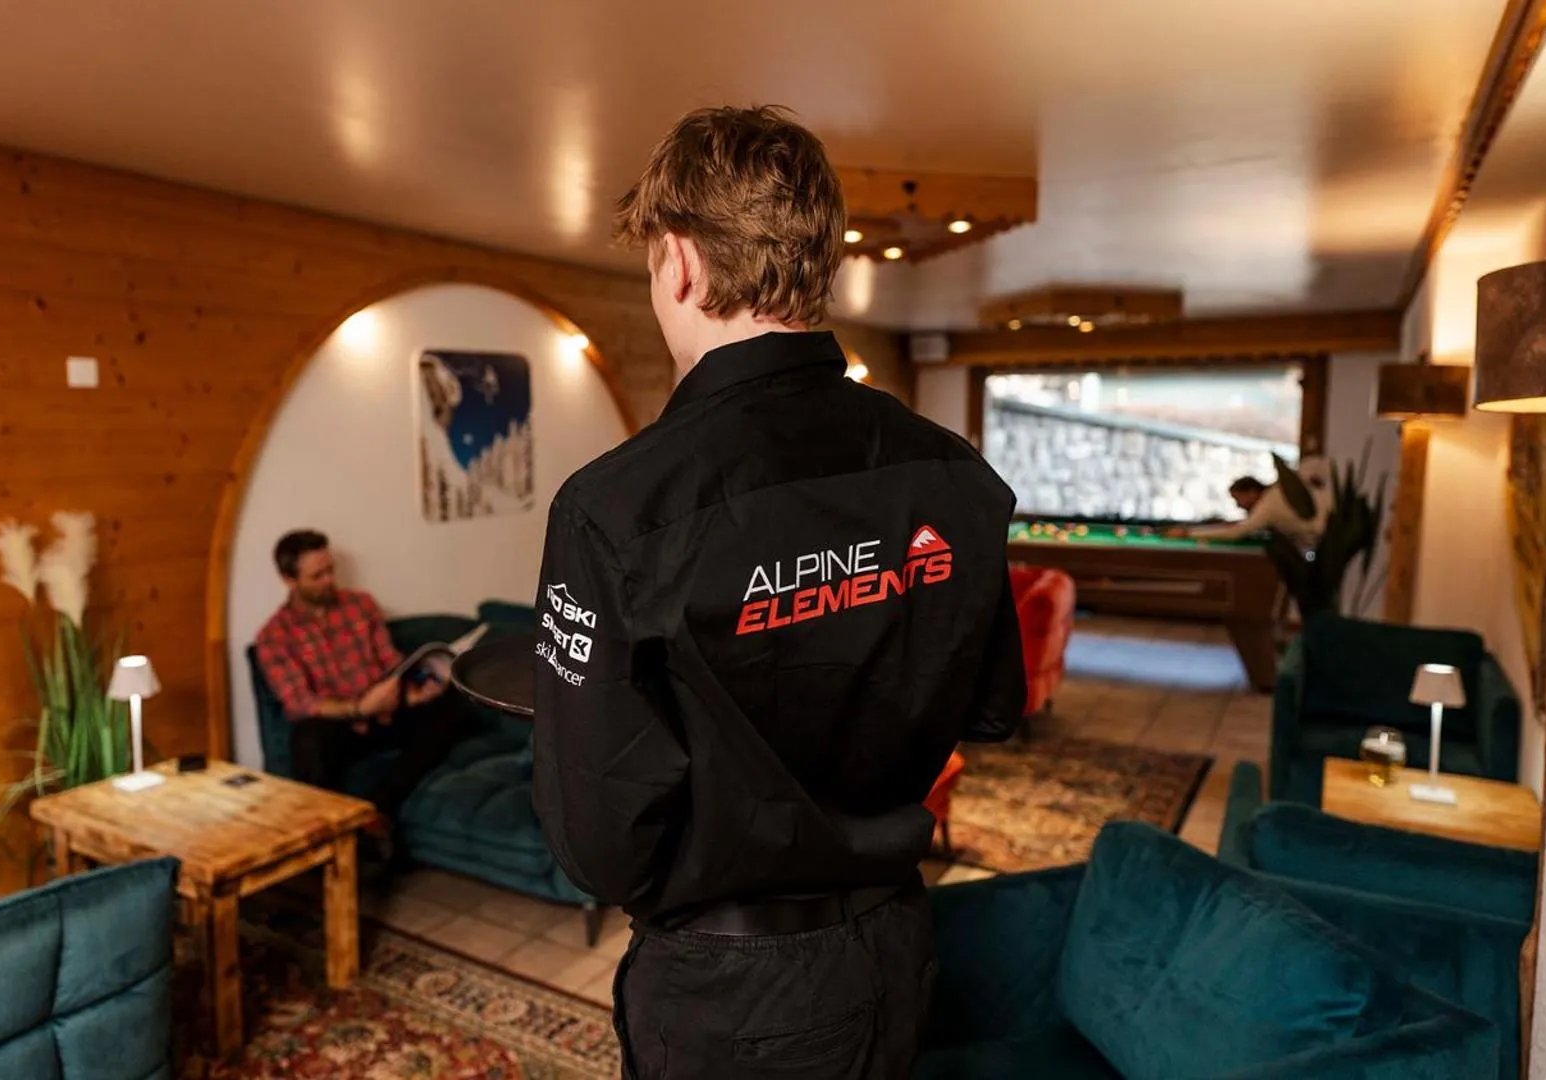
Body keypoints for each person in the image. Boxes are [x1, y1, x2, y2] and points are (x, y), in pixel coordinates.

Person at [531, 106, 1027, 1080]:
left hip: (728, 992)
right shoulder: (951, 473)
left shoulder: (614, 510)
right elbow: (992, 705)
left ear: (677, 262)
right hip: (895, 946)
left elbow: (595, 845)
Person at [252, 529, 465, 818]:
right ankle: (327, 830)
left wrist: (414, 689)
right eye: (317, 576)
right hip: (340, 724)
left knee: (452, 705)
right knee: (308, 739)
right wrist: (358, 708)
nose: (329, 581)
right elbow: (300, 702)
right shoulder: (275, 635)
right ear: (289, 580)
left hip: (386, 710)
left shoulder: (360, 605)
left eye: (330, 570)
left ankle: (380, 806)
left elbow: (391, 662)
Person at [1170, 458, 1333, 542]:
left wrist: (1188, 534)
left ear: (1252, 492)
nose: (1238, 505)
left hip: (1330, 532)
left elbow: (1236, 533)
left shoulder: (1268, 505)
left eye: (1238, 499)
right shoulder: (1280, 489)